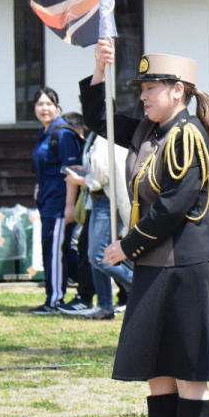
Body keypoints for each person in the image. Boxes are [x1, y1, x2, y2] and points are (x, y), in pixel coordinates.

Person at [84, 41, 209, 417]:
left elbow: (174, 206)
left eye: (151, 88)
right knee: (158, 372)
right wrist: (98, 70)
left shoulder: (188, 136)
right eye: (142, 89)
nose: (143, 96)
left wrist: (127, 244)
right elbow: (99, 119)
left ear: (178, 90)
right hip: (155, 268)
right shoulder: (147, 132)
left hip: (187, 270)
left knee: (190, 373)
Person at [64, 115, 132, 321]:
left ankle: (139, 285)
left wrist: (80, 179)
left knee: (97, 256)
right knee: (98, 256)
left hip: (106, 201)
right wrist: (87, 174)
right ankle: (104, 306)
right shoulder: (96, 135)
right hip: (99, 201)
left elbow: (100, 178)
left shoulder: (103, 136)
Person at [29, 88, 83, 314]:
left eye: (49, 104)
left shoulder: (63, 134)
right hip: (47, 202)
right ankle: (56, 297)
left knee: (56, 252)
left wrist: (69, 206)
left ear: (57, 107)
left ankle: (55, 300)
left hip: (60, 204)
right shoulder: (45, 134)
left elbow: (73, 171)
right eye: (40, 104)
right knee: (50, 250)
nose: (44, 108)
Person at [58, 112, 96, 314]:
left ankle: (88, 296)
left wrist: (69, 204)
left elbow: (102, 177)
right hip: (90, 201)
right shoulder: (92, 138)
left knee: (92, 250)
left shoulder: (102, 137)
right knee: (85, 247)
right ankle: (88, 295)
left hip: (101, 202)